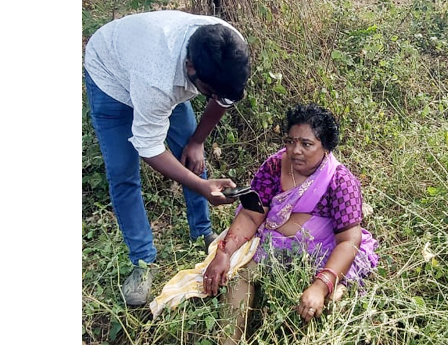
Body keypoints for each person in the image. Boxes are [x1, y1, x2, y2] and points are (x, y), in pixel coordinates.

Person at [149, 103, 379, 345]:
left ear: (326, 147)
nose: (295, 150)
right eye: (290, 141)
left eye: (306, 144)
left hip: (324, 254)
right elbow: (251, 215)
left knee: (332, 302)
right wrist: (225, 251)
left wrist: (321, 286)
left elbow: (349, 240)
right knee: (239, 277)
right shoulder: (273, 167)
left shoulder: (340, 182)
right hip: (275, 247)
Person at [83, 10, 251, 306]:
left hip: (150, 68)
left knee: (191, 155)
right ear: (190, 69)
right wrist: (201, 186)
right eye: (208, 92)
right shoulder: (158, 81)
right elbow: (148, 146)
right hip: (110, 76)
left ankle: (201, 232)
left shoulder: (229, 50)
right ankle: (142, 261)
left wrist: (197, 141)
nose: (215, 97)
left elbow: (224, 96)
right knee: (123, 174)